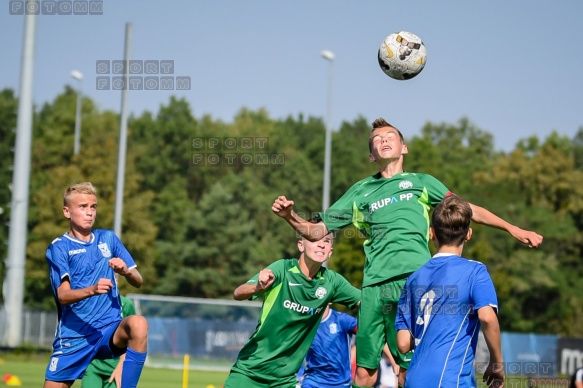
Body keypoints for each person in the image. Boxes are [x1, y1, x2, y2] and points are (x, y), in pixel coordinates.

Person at [271, 117, 542, 388]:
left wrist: (512, 228)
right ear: (370, 156)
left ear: (404, 148)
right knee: (364, 372)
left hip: (415, 282)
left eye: (390, 136)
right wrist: (289, 216)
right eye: (377, 139)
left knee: (407, 367)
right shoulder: (360, 191)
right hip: (374, 286)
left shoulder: (422, 183)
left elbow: (468, 209)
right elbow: (317, 231)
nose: (384, 140)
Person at [224, 227, 361, 388]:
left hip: (284, 380)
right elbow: (238, 293)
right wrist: (258, 287)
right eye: (314, 239)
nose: (321, 245)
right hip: (249, 372)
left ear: (330, 252)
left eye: (326, 241)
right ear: (300, 245)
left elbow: (368, 303)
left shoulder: (332, 281)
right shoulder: (282, 269)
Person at [43, 182, 148, 388]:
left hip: (108, 331)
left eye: (93, 207)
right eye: (82, 207)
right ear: (67, 211)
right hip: (75, 337)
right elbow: (63, 295)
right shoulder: (59, 248)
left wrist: (126, 271)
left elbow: (138, 280)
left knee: (138, 323)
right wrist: (92, 289)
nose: (89, 212)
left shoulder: (108, 238)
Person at [395, 195, 504, 388]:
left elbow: (403, 343)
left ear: (431, 233)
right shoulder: (475, 271)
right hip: (450, 379)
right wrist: (497, 364)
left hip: (414, 379)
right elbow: (487, 318)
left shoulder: (413, 279)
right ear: (468, 234)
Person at [81, 294, 136, 388]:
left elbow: (130, 338)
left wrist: (121, 366)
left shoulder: (126, 304)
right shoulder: (91, 300)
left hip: (114, 366)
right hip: (92, 365)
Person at [300, 304, 358, 388]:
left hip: (340, 383)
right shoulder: (305, 322)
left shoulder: (342, 319)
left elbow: (368, 332)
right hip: (313, 380)